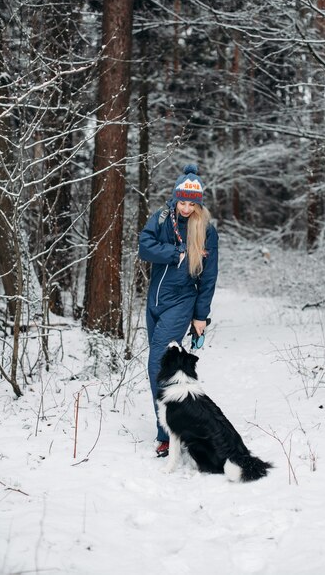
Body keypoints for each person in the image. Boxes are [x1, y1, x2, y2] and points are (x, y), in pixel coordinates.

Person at [138, 164, 219, 457]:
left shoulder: (207, 230)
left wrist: (201, 315)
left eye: (192, 203)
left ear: (199, 204)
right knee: (167, 367)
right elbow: (144, 247)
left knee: (157, 362)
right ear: (175, 198)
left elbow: (209, 277)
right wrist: (175, 253)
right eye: (182, 201)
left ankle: (167, 433)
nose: (186, 208)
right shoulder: (161, 218)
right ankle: (182, 421)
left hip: (182, 301)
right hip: (154, 303)